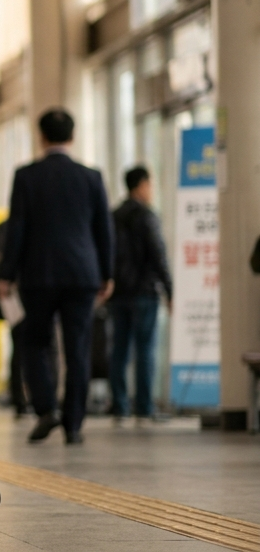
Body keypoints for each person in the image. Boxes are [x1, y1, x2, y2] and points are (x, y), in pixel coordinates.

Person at [0, 109, 114, 446]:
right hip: (82, 274)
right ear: (72, 137)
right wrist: (106, 273)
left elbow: (16, 228)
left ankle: (46, 408)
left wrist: (7, 274)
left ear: (42, 137)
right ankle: (74, 423)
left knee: (34, 342)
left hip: (39, 274)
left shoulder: (26, 176)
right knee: (78, 348)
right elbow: (103, 229)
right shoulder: (91, 177)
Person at [108, 166, 172, 421]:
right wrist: (169, 288)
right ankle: (144, 407)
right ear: (142, 185)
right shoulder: (146, 216)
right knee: (145, 350)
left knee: (119, 350)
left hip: (118, 293)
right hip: (144, 292)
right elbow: (158, 254)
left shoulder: (113, 216)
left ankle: (120, 406)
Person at [0, 220, 30, 418]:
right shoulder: (15, 227)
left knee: (20, 347)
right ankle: (24, 398)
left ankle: (21, 397)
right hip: (23, 296)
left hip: (16, 296)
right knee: (26, 347)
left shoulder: (4, 228)